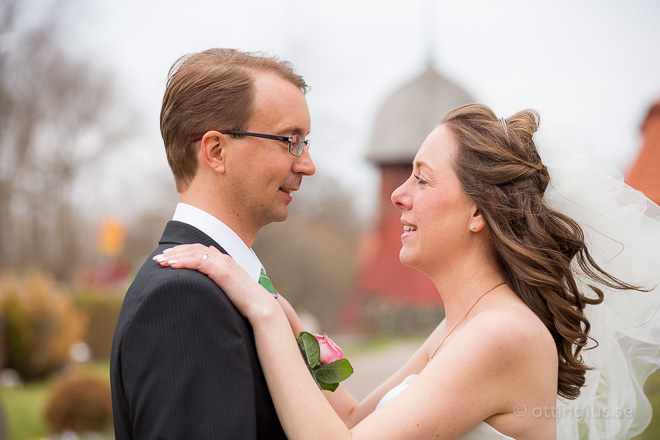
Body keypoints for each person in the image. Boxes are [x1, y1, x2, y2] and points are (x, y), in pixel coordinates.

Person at [155, 103, 660, 439]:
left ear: (478, 212)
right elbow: (354, 418)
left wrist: (262, 316)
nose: (399, 194)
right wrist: (295, 327)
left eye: (422, 179)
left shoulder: (502, 334)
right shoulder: (461, 327)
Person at [110, 48, 315, 439]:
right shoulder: (182, 299)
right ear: (217, 151)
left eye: (304, 142)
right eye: (290, 140)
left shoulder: (231, 285)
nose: (307, 164)